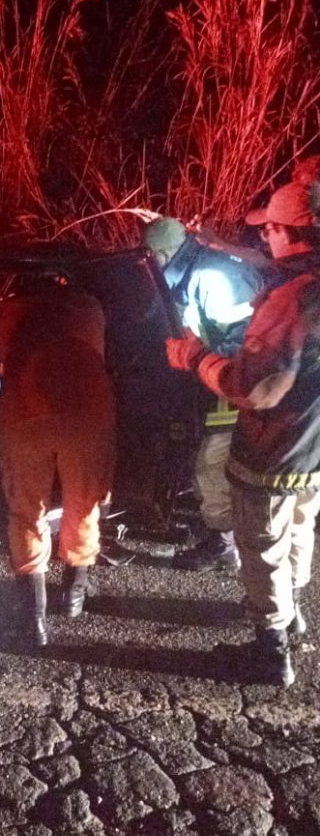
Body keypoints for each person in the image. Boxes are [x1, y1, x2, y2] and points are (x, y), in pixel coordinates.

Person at [166, 181, 320, 688]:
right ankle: (292, 614)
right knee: (297, 532)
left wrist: (196, 359)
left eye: (269, 231)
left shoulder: (291, 301)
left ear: (285, 231)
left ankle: (270, 651)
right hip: (313, 449)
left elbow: (252, 389)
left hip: (274, 449)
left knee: (263, 544)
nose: (264, 241)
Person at [0, 273, 116, 646]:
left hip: (26, 410)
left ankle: (34, 621)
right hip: (89, 411)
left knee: (26, 510)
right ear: (63, 280)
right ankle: (74, 598)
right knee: (84, 505)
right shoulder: (90, 306)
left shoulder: (6, 308)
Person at [143, 216, 263, 571]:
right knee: (210, 465)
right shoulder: (192, 273)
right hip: (216, 384)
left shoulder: (210, 277)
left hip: (231, 388)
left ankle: (225, 547)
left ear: (163, 253)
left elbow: (241, 340)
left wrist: (200, 363)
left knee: (213, 466)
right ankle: (222, 537)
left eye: (151, 258)